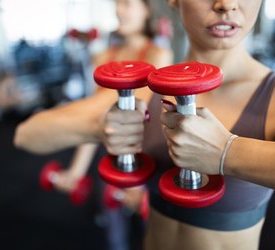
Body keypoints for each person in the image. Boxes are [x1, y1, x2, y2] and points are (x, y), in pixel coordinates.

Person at [101, 1, 275, 250]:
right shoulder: (147, 87)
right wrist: (109, 132)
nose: (226, 4)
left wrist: (227, 153)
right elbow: (39, 133)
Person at [15, 0, 172, 249]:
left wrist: (139, 184)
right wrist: (76, 171)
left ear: (146, 10)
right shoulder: (103, 57)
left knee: (151, 233)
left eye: (128, 4)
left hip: (146, 156)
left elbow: (127, 113)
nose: (120, 10)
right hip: (108, 148)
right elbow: (98, 118)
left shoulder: (157, 54)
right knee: (113, 232)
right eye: (118, 4)